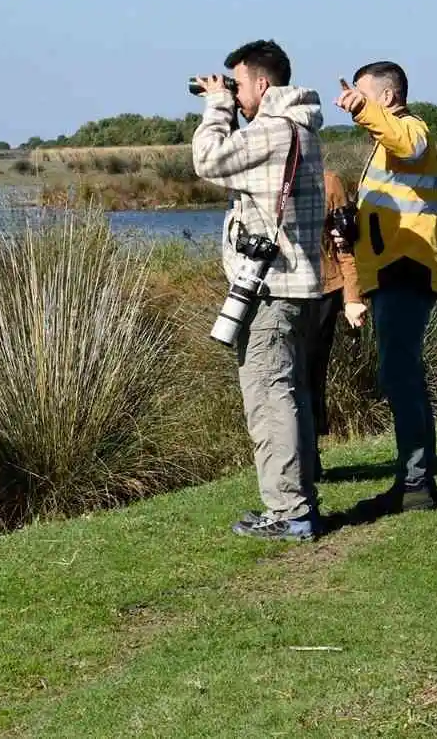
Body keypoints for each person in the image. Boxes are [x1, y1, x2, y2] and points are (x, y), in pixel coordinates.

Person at [192, 40, 327, 541]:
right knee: (289, 393)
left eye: (239, 83)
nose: (235, 92)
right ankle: (298, 502)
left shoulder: (272, 132)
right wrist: (231, 100)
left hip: (272, 292)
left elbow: (207, 160)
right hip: (297, 288)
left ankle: (289, 511)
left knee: (270, 397)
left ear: (262, 83)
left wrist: (216, 106)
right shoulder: (300, 129)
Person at [335, 61, 437, 513]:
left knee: (400, 376)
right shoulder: (384, 145)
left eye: (359, 95)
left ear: (387, 96)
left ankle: (416, 486)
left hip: (408, 268)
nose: (350, 104)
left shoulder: (409, 128)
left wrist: (364, 109)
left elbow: (410, 143)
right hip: (393, 271)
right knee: (404, 376)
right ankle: (416, 482)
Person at [303, 168, 365, 482]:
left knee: (312, 375)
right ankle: (285, 462)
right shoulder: (263, 175)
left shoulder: (329, 182)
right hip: (276, 294)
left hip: (322, 292)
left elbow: (344, 247)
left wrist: (352, 297)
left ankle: (309, 459)